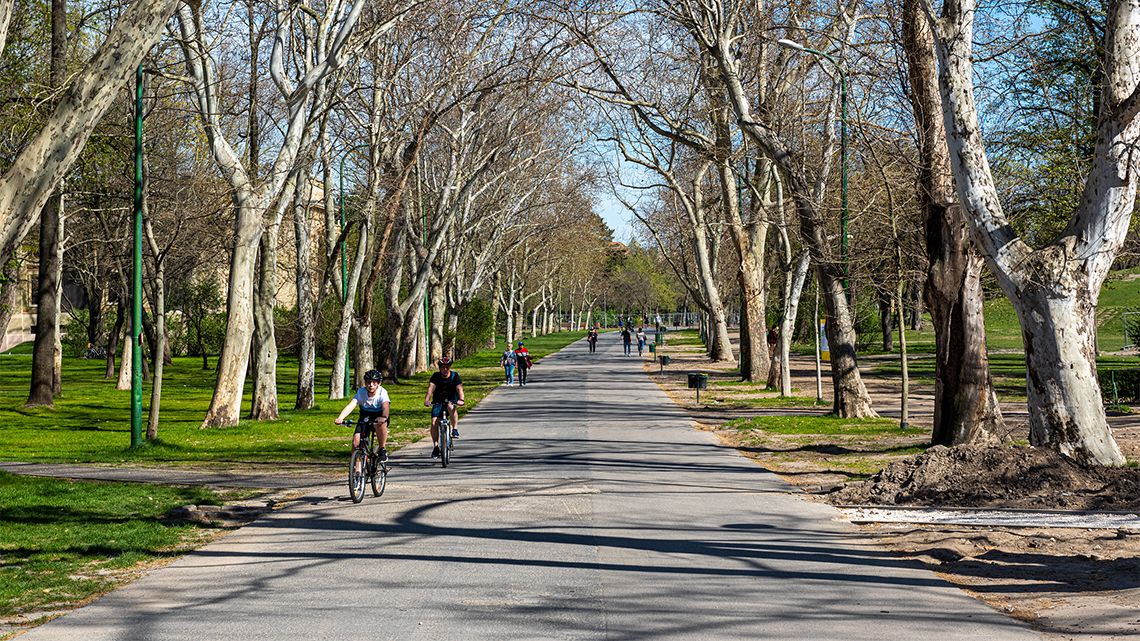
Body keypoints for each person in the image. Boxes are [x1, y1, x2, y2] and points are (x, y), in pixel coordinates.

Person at [335, 369, 391, 462]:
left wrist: (384, 417)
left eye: (374, 382)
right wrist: (340, 418)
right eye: (369, 382)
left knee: (379, 424)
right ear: (365, 383)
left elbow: (386, 406)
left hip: (379, 416)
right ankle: (357, 471)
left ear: (379, 384)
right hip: (365, 416)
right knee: (356, 442)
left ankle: (382, 449)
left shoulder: (382, 392)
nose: (371, 385)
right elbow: (351, 405)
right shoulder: (361, 392)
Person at [423, 357, 465, 459]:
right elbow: (430, 389)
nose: (445, 370)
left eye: (447, 367)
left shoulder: (455, 376)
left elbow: (459, 389)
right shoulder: (436, 377)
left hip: (451, 399)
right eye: (442, 368)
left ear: (450, 367)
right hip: (438, 400)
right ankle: (436, 447)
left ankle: (454, 429)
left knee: (451, 407)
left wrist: (461, 400)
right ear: (439, 368)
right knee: (434, 422)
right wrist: (427, 400)